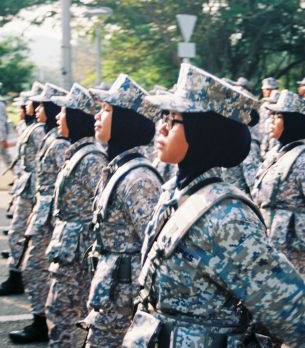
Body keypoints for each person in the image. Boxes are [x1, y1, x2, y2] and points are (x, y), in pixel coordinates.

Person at [122, 63, 305, 347]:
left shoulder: (226, 217)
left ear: (202, 131)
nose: (162, 128)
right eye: (163, 117)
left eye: (173, 120)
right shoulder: (176, 191)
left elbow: (293, 314)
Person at [79, 74, 163, 347]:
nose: (97, 115)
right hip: (112, 296)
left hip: (126, 303)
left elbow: (154, 249)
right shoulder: (117, 169)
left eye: (106, 110)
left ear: (125, 120)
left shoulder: (138, 179)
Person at [45, 83, 108, 347]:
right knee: (60, 314)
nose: (58, 116)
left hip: (79, 256)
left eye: (63, 112)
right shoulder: (78, 153)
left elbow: (101, 214)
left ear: (75, 117)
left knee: (71, 319)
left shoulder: (92, 159)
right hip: (68, 250)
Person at [9, 83, 69, 344]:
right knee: (34, 266)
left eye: (43, 103)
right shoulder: (46, 135)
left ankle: (43, 323)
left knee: (42, 269)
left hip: (53, 216)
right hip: (42, 209)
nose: (36, 108)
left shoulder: (58, 144)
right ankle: (40, 321)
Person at [252, 90, 305, 275]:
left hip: (295, 259)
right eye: (271, 115)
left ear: (292, 121)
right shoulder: (274, 154)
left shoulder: (302, 159)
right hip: (269, 250)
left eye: (278, 116)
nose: (271, 121)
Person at [0, 81, 45, 296]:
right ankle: (16, 274)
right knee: (18, 233)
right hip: (26, 187)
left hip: (33, 190)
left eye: (32, 104)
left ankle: (18, 277)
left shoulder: (38, 132)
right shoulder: (28, 128)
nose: (25, 107)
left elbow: (40, 165)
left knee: (24, 235)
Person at [259, 77, 280, 159]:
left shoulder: (280, 106)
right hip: (263, 140)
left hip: (273, 141)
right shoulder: (264, 104)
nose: (264, 91)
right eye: (264, 89)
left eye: (267, 89)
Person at [0, 93, 12, 170]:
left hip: (1, 134)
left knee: (5, 155)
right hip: (2, 134)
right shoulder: (1, 104)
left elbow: (2, 121)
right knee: (5, 155)